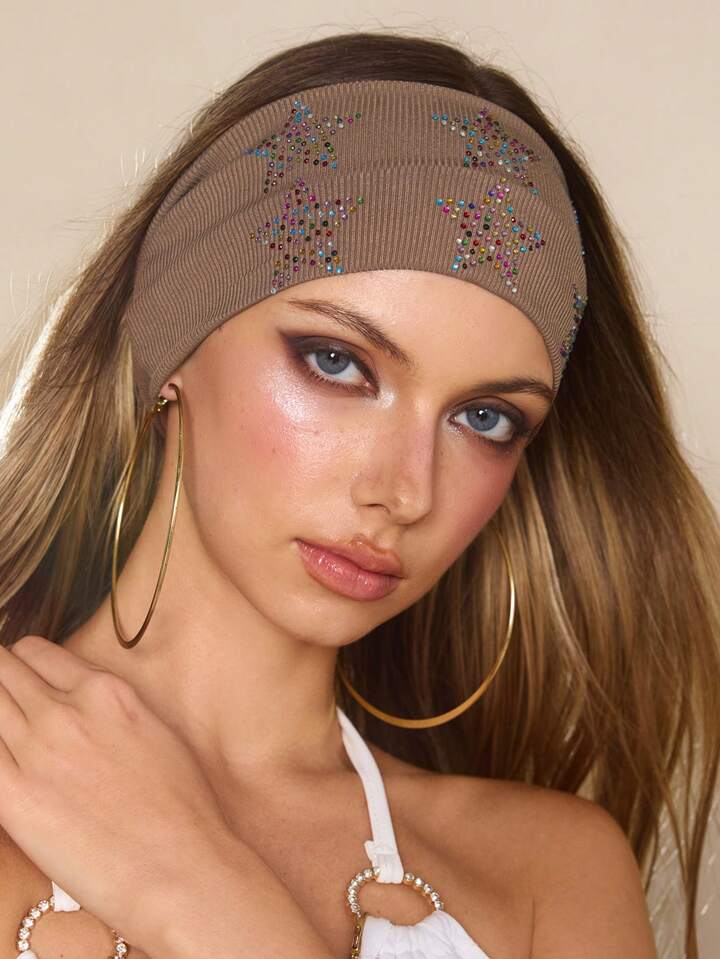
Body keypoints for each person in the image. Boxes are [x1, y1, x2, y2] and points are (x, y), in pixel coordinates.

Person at [0, 29, 717, 959]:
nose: (404, 490)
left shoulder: (551, 874)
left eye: (485, 418)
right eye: (337, 362)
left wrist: (196, 893)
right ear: (174, 338)